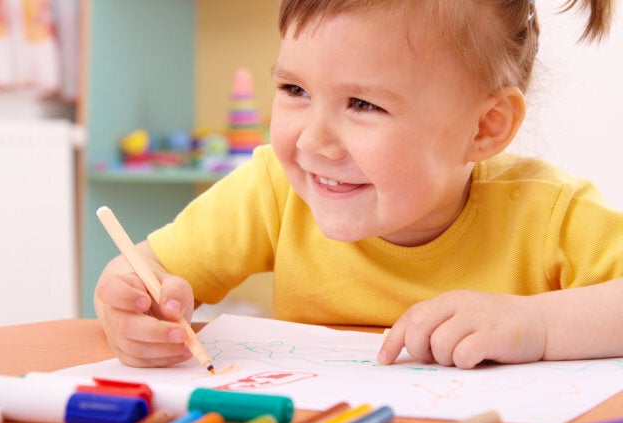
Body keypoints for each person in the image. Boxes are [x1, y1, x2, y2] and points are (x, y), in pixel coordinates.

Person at [95, 0, 623, 370]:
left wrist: (537, 325)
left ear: (484, 128)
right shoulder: (274, 190)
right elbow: (146, 271)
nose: (314, 141)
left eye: (364, 104)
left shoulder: (548, 214)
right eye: (294, 89)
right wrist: (129, 304)